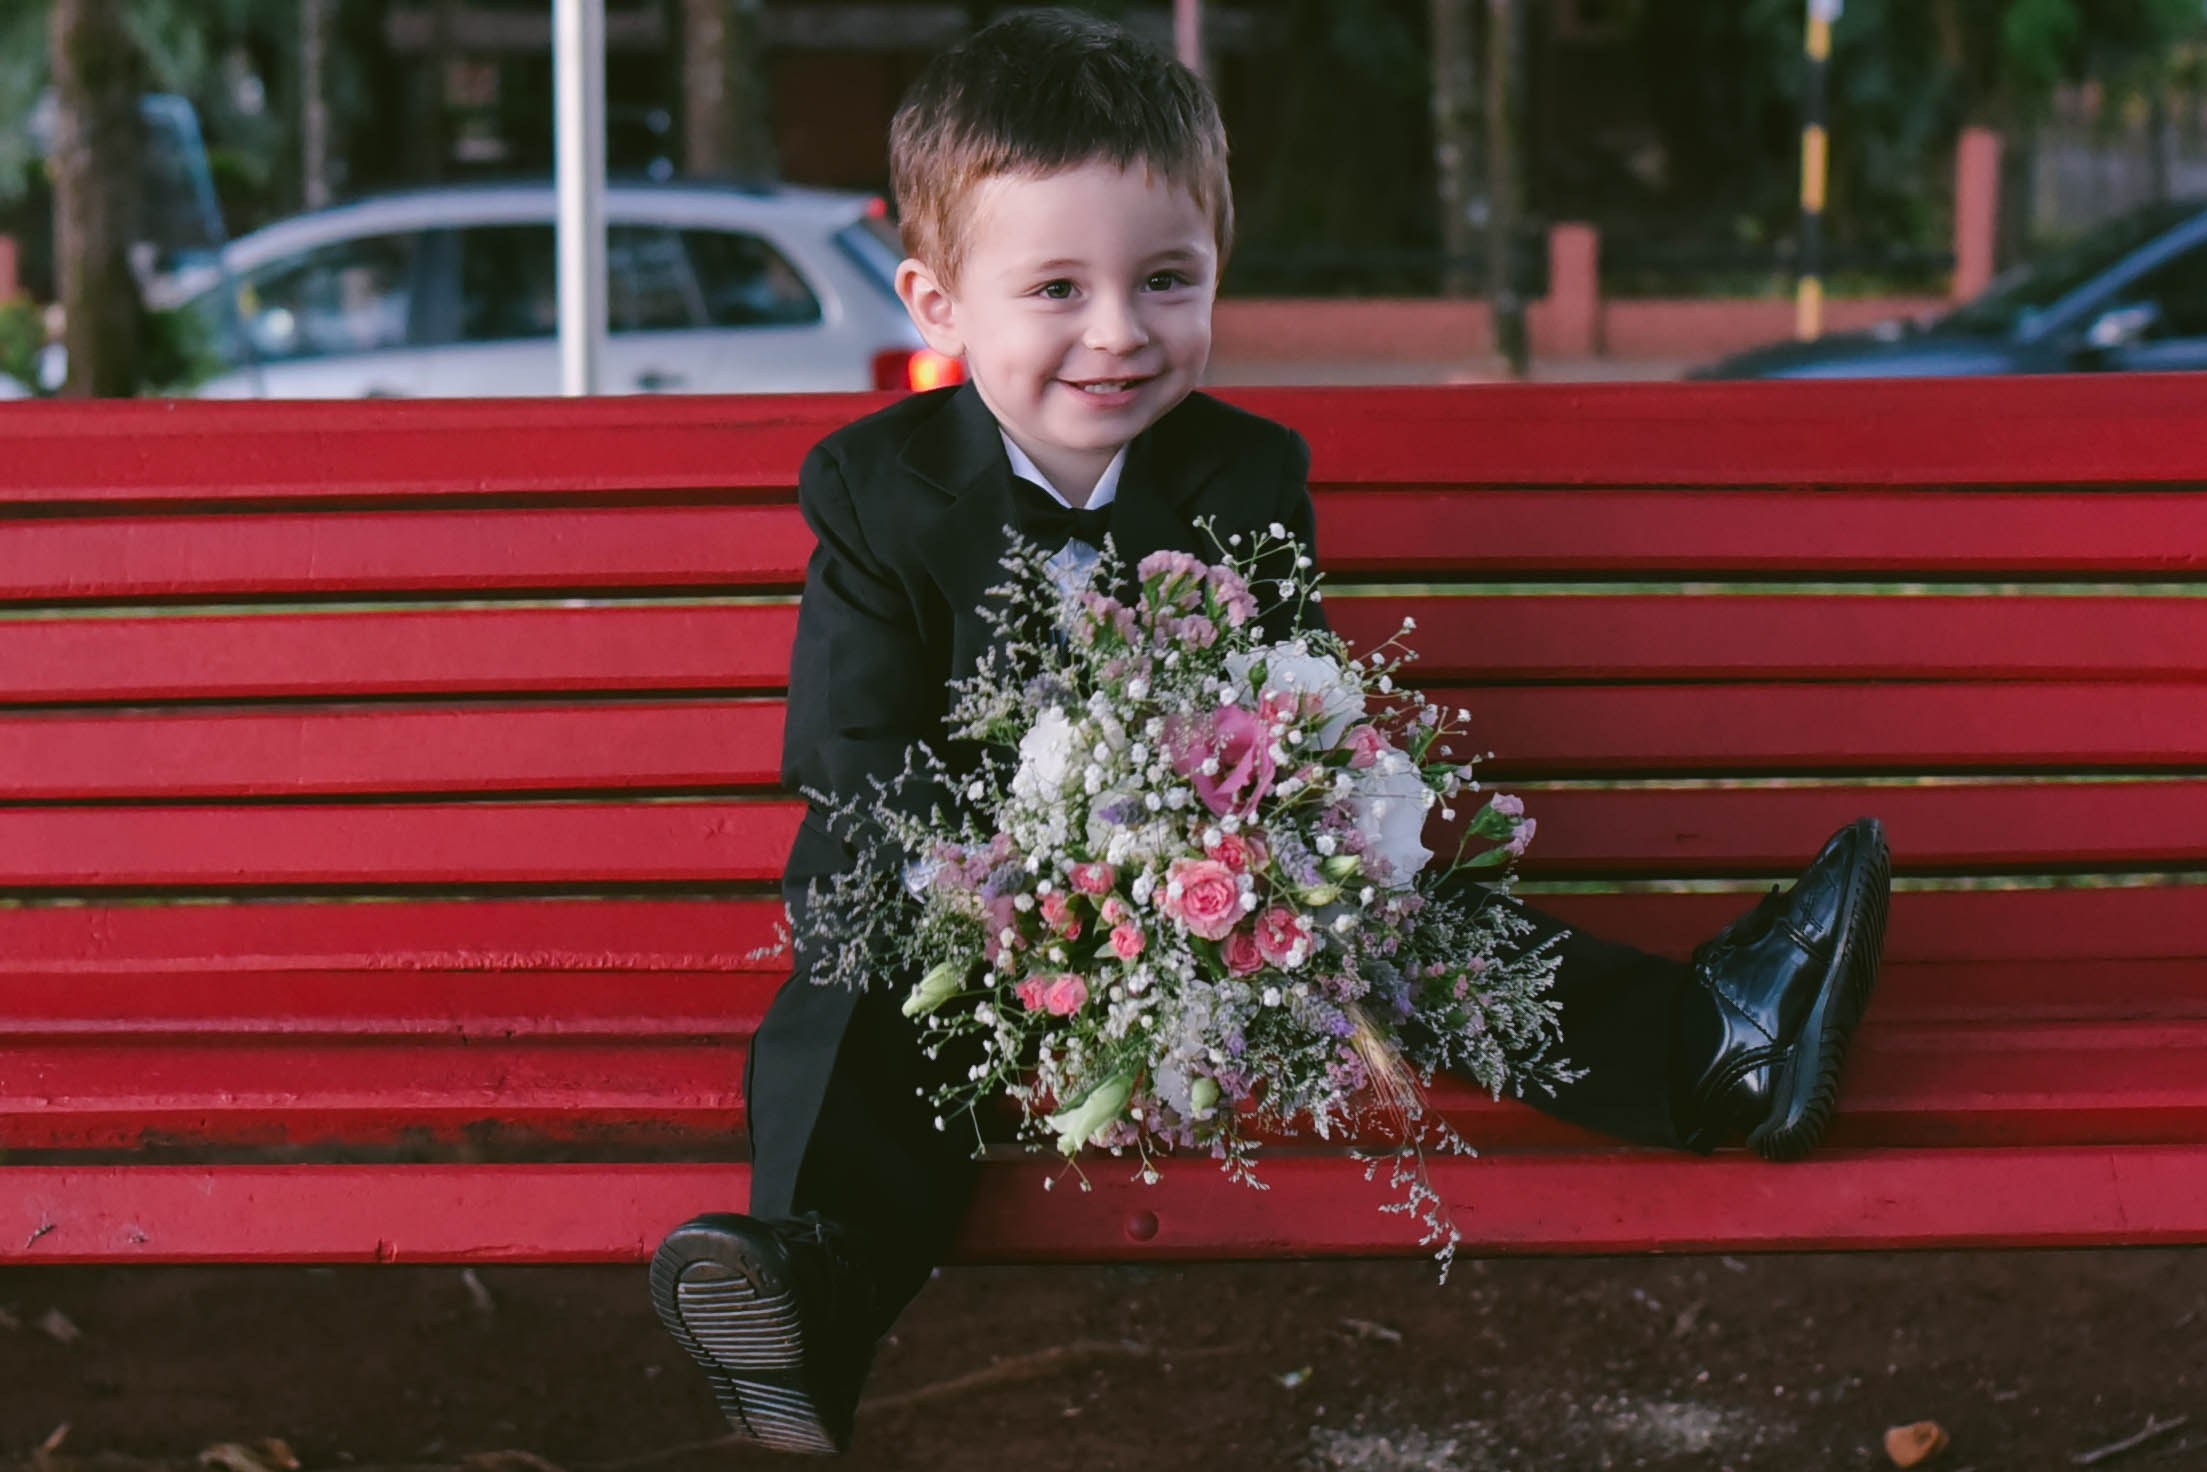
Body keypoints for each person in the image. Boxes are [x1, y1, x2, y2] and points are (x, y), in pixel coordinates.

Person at [647, 10, 1891, 1456]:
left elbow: (1274, 711)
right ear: (939, 304)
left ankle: (1714, 1044)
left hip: (1199, 890)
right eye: (1057, 287)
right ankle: (811, 1290)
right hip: (950, 895)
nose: (1119, 331)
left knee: (1388, 918)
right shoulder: (874, 489)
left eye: (1166, 280)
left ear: (1215, 275)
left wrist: (1300, 840)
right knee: (853, 978)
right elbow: (849, 754)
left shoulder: (1245, 473)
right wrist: (1010, 898)